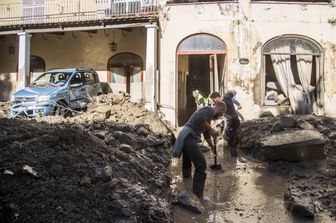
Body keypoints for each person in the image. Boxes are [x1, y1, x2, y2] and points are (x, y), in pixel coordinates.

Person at [173, 102, 227, 199]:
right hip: (189, 136)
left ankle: (187, 183)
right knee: (201, 164)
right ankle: (197, 196)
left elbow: (206, 134)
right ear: (220, 110)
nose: (220, 117)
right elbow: (199, 119)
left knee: (187, 161)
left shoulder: (208, 118)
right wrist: (212, 129)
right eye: (222, 114)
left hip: (185, 136)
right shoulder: (209, 110)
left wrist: (212, 147)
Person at [209, 91, 241, 157]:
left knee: (232, 138)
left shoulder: (224, 99)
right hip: (231, 120)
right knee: (227, 133)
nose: (214, 101)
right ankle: (228, 152)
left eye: (214, 100)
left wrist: (238, 104)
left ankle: (233, 156)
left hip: (233, 121)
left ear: (217, 97)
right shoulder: (226, 96)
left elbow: (234, 92)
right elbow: (233, 93)